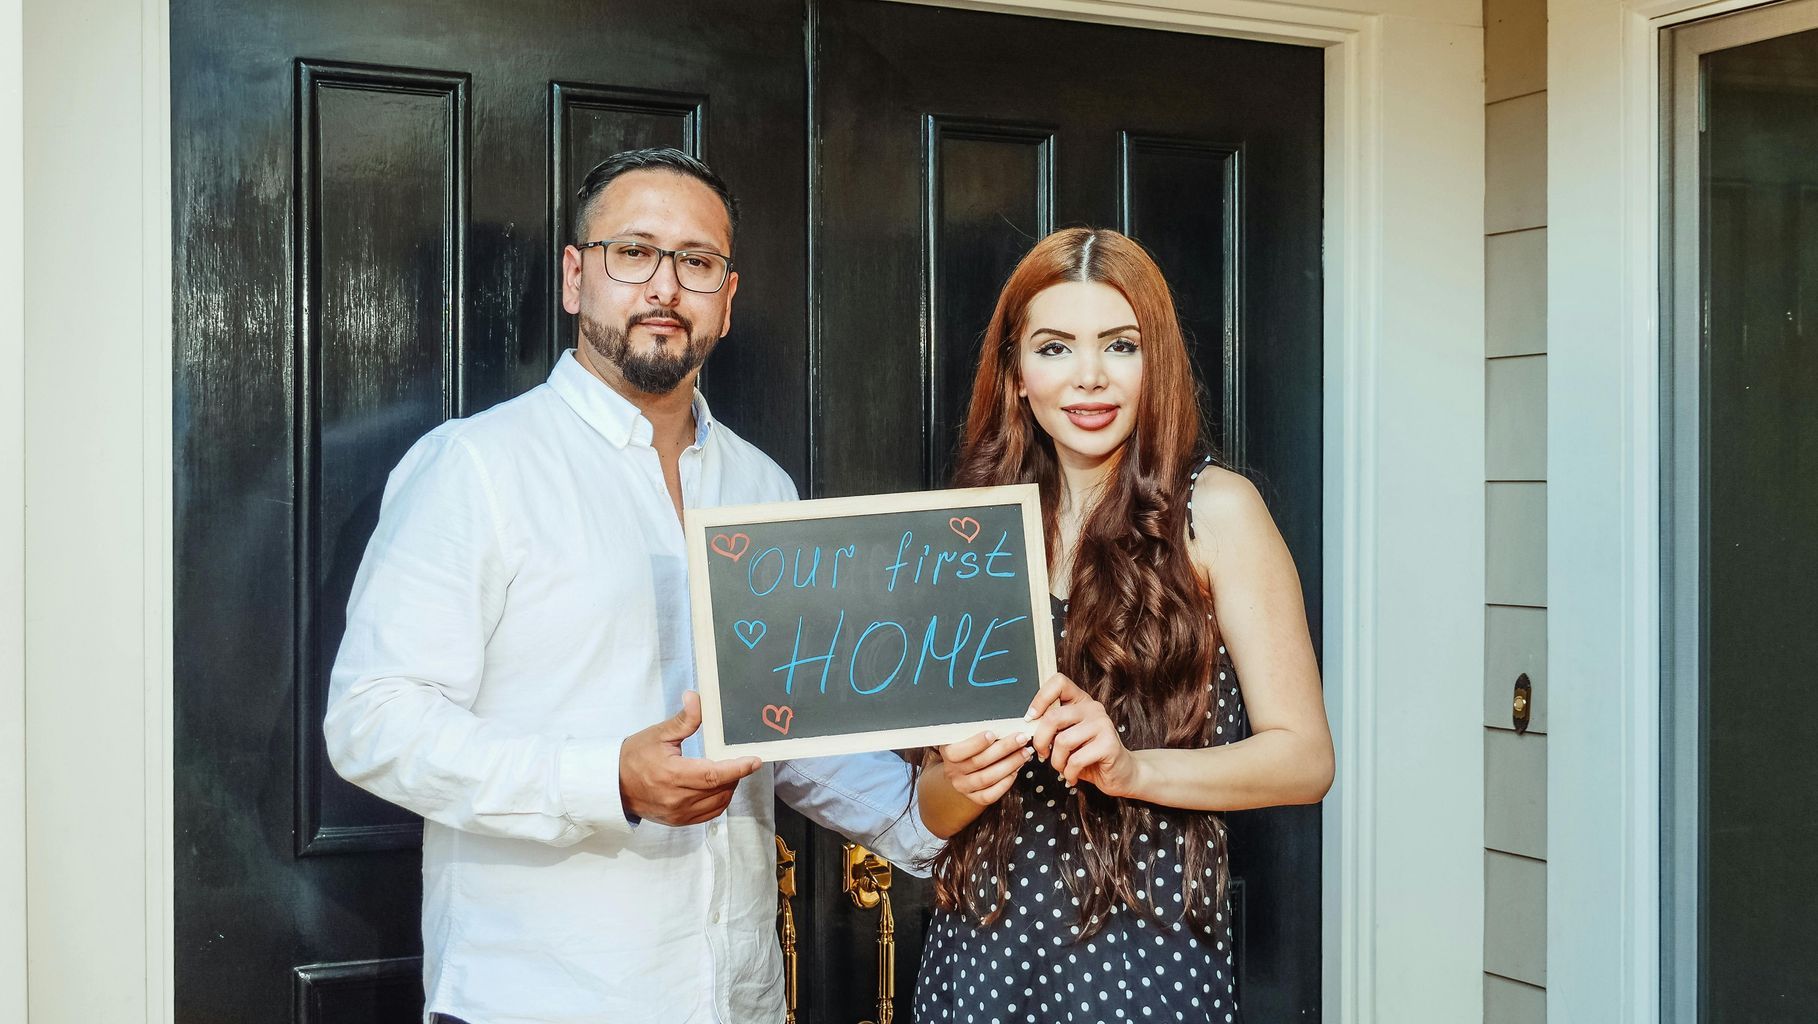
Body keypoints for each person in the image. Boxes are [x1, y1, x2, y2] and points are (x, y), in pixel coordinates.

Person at [324, 148, 939, 1024]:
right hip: (540, 998)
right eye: (634, 252)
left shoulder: (762, 487)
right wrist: (605, 779)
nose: (665, 286)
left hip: (739, 997)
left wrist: (924, 818)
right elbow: (371, 722)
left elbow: (786, 724)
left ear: (726, 300)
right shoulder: (478, 467)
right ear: (577, 278)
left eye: (696, 262)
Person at [911, 228, 1335, 1023]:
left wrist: (1132, 770)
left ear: (1157, 363)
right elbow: (933, 810)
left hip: (1145, 966)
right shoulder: (969, 533)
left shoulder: (1216, 510)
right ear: (1015, 373)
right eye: (1055, 347)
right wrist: (964, 779)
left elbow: (1305, 760)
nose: (1090, 377)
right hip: (978, 962)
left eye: (1120, 344)